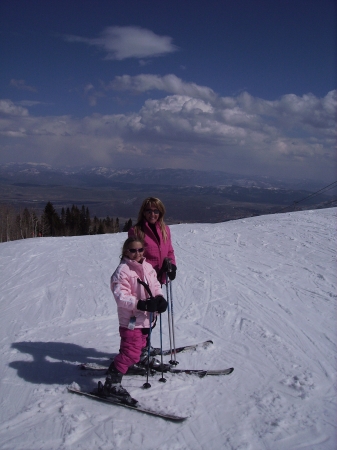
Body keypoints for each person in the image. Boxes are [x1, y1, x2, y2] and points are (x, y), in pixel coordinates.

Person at [97, 236, 167, 405]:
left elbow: (156, 285)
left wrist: (160, 299)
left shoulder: (147, 266)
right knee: (130, 352)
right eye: (132, 250)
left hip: (147, 318)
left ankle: (133, 362)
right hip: (132, 319)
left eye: (140, 250)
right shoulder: (122, 271)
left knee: (140, 345)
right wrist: (141, 304)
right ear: (125, 251)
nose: (137, 254)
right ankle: (111, 384)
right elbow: (121, 297)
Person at [128, 197, 177, 284]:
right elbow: (132, 257)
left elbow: (169, 251)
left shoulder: (165, 230)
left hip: (161, 277)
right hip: (145, 280)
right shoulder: (136, 231)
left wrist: (172, 265)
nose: (152, 214)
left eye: (156, 211)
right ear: (144, 212)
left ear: (160, 212)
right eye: (149, 211)